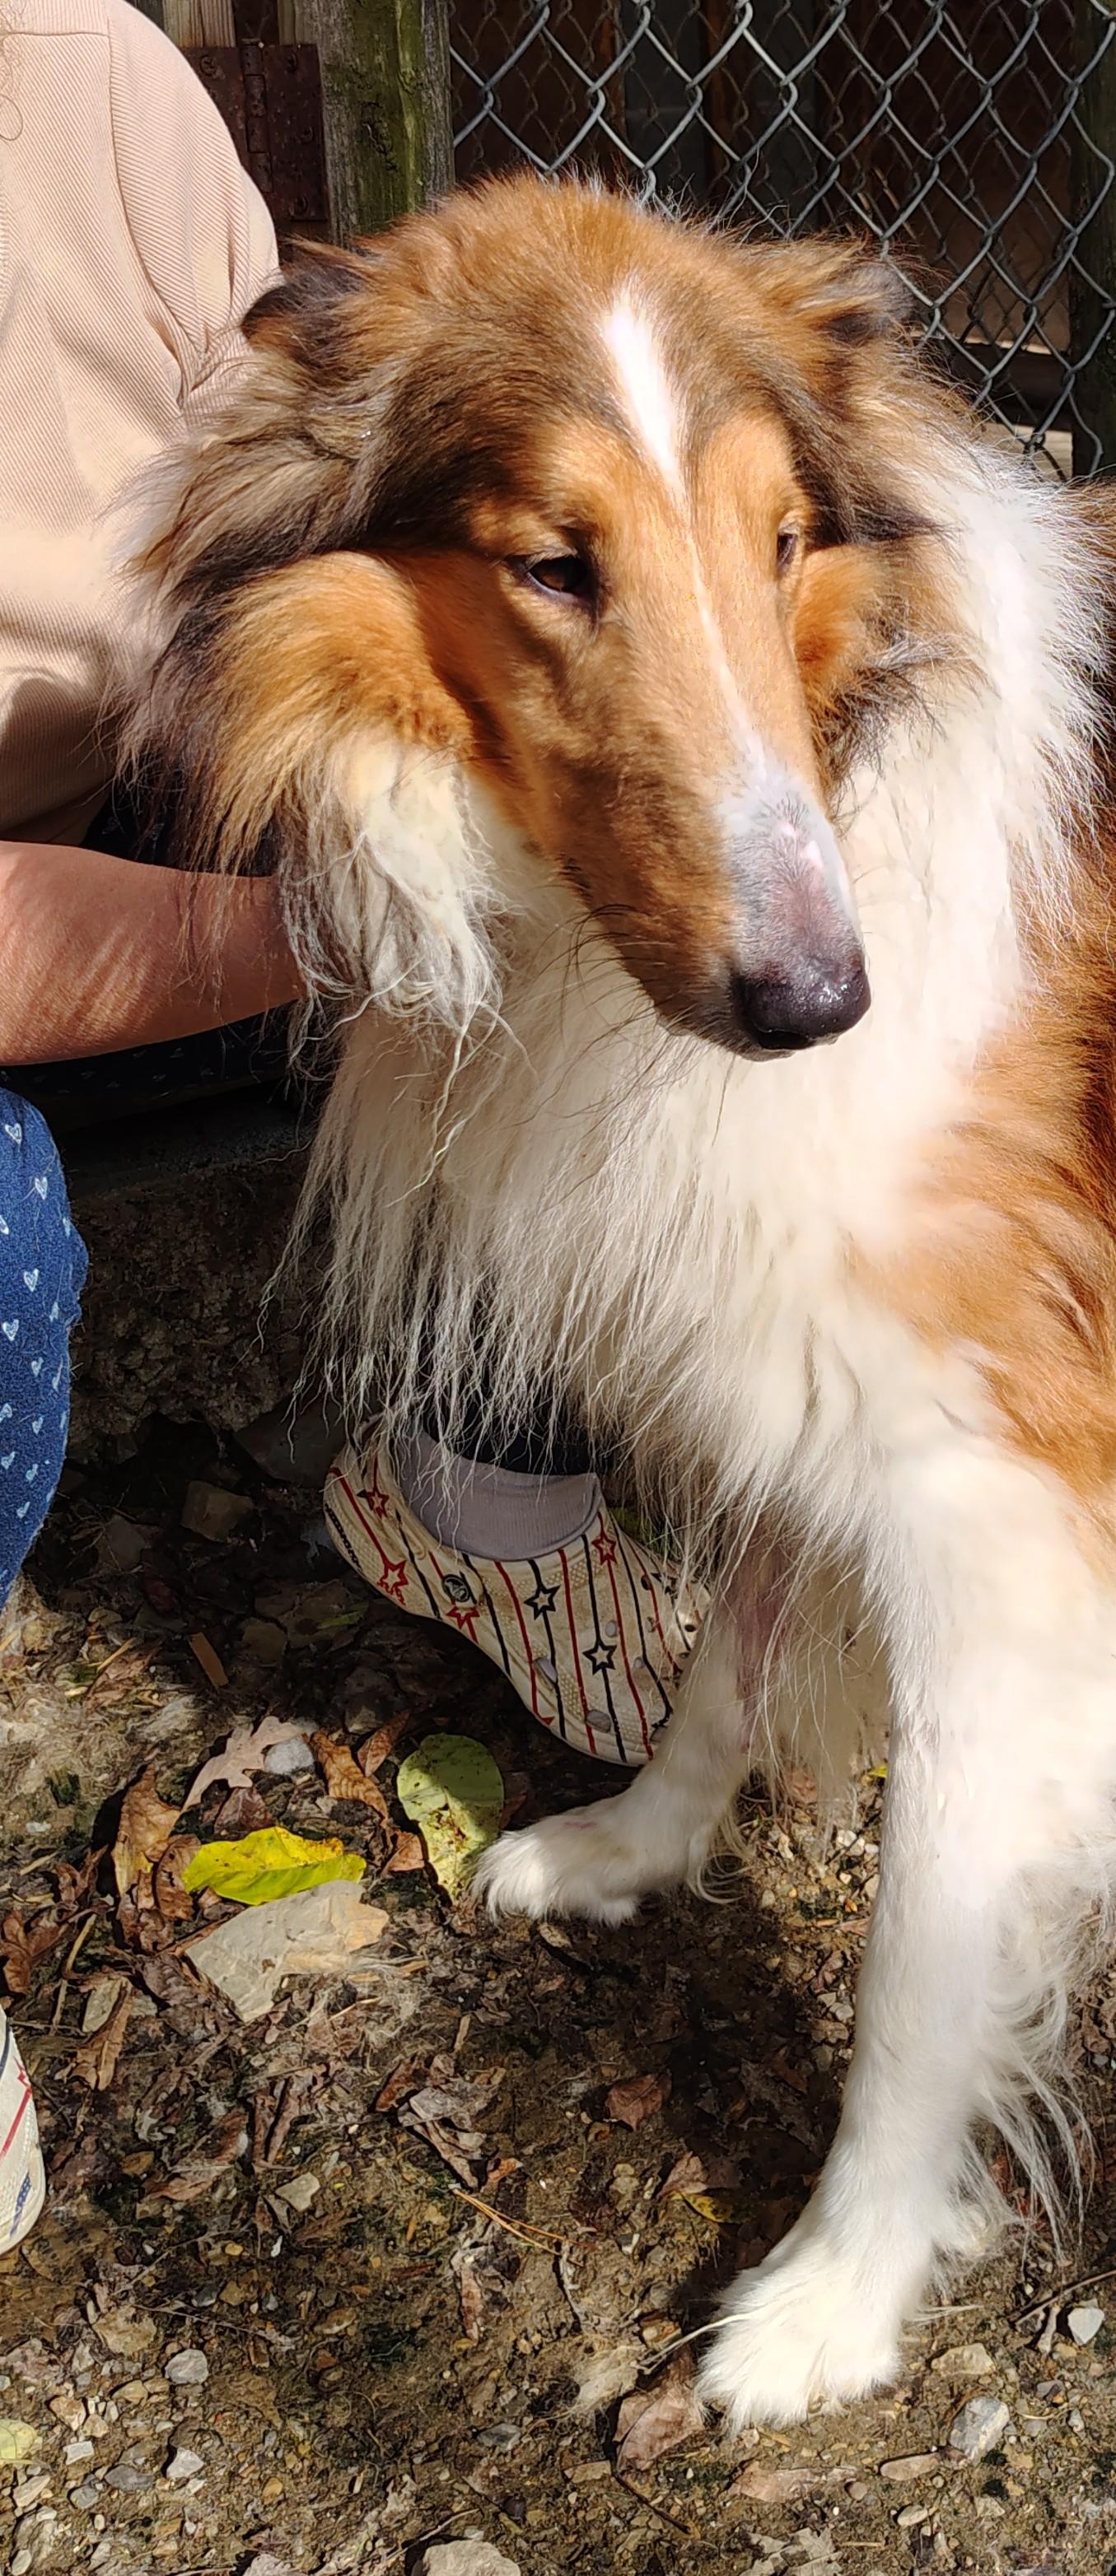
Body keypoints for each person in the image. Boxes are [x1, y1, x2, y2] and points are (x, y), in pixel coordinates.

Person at [0, 0, 695, 2249]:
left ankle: (482, 1485)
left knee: (536, 894)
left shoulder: (77, 60)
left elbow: (280, 442)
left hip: (139, 766)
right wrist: (326, 943)